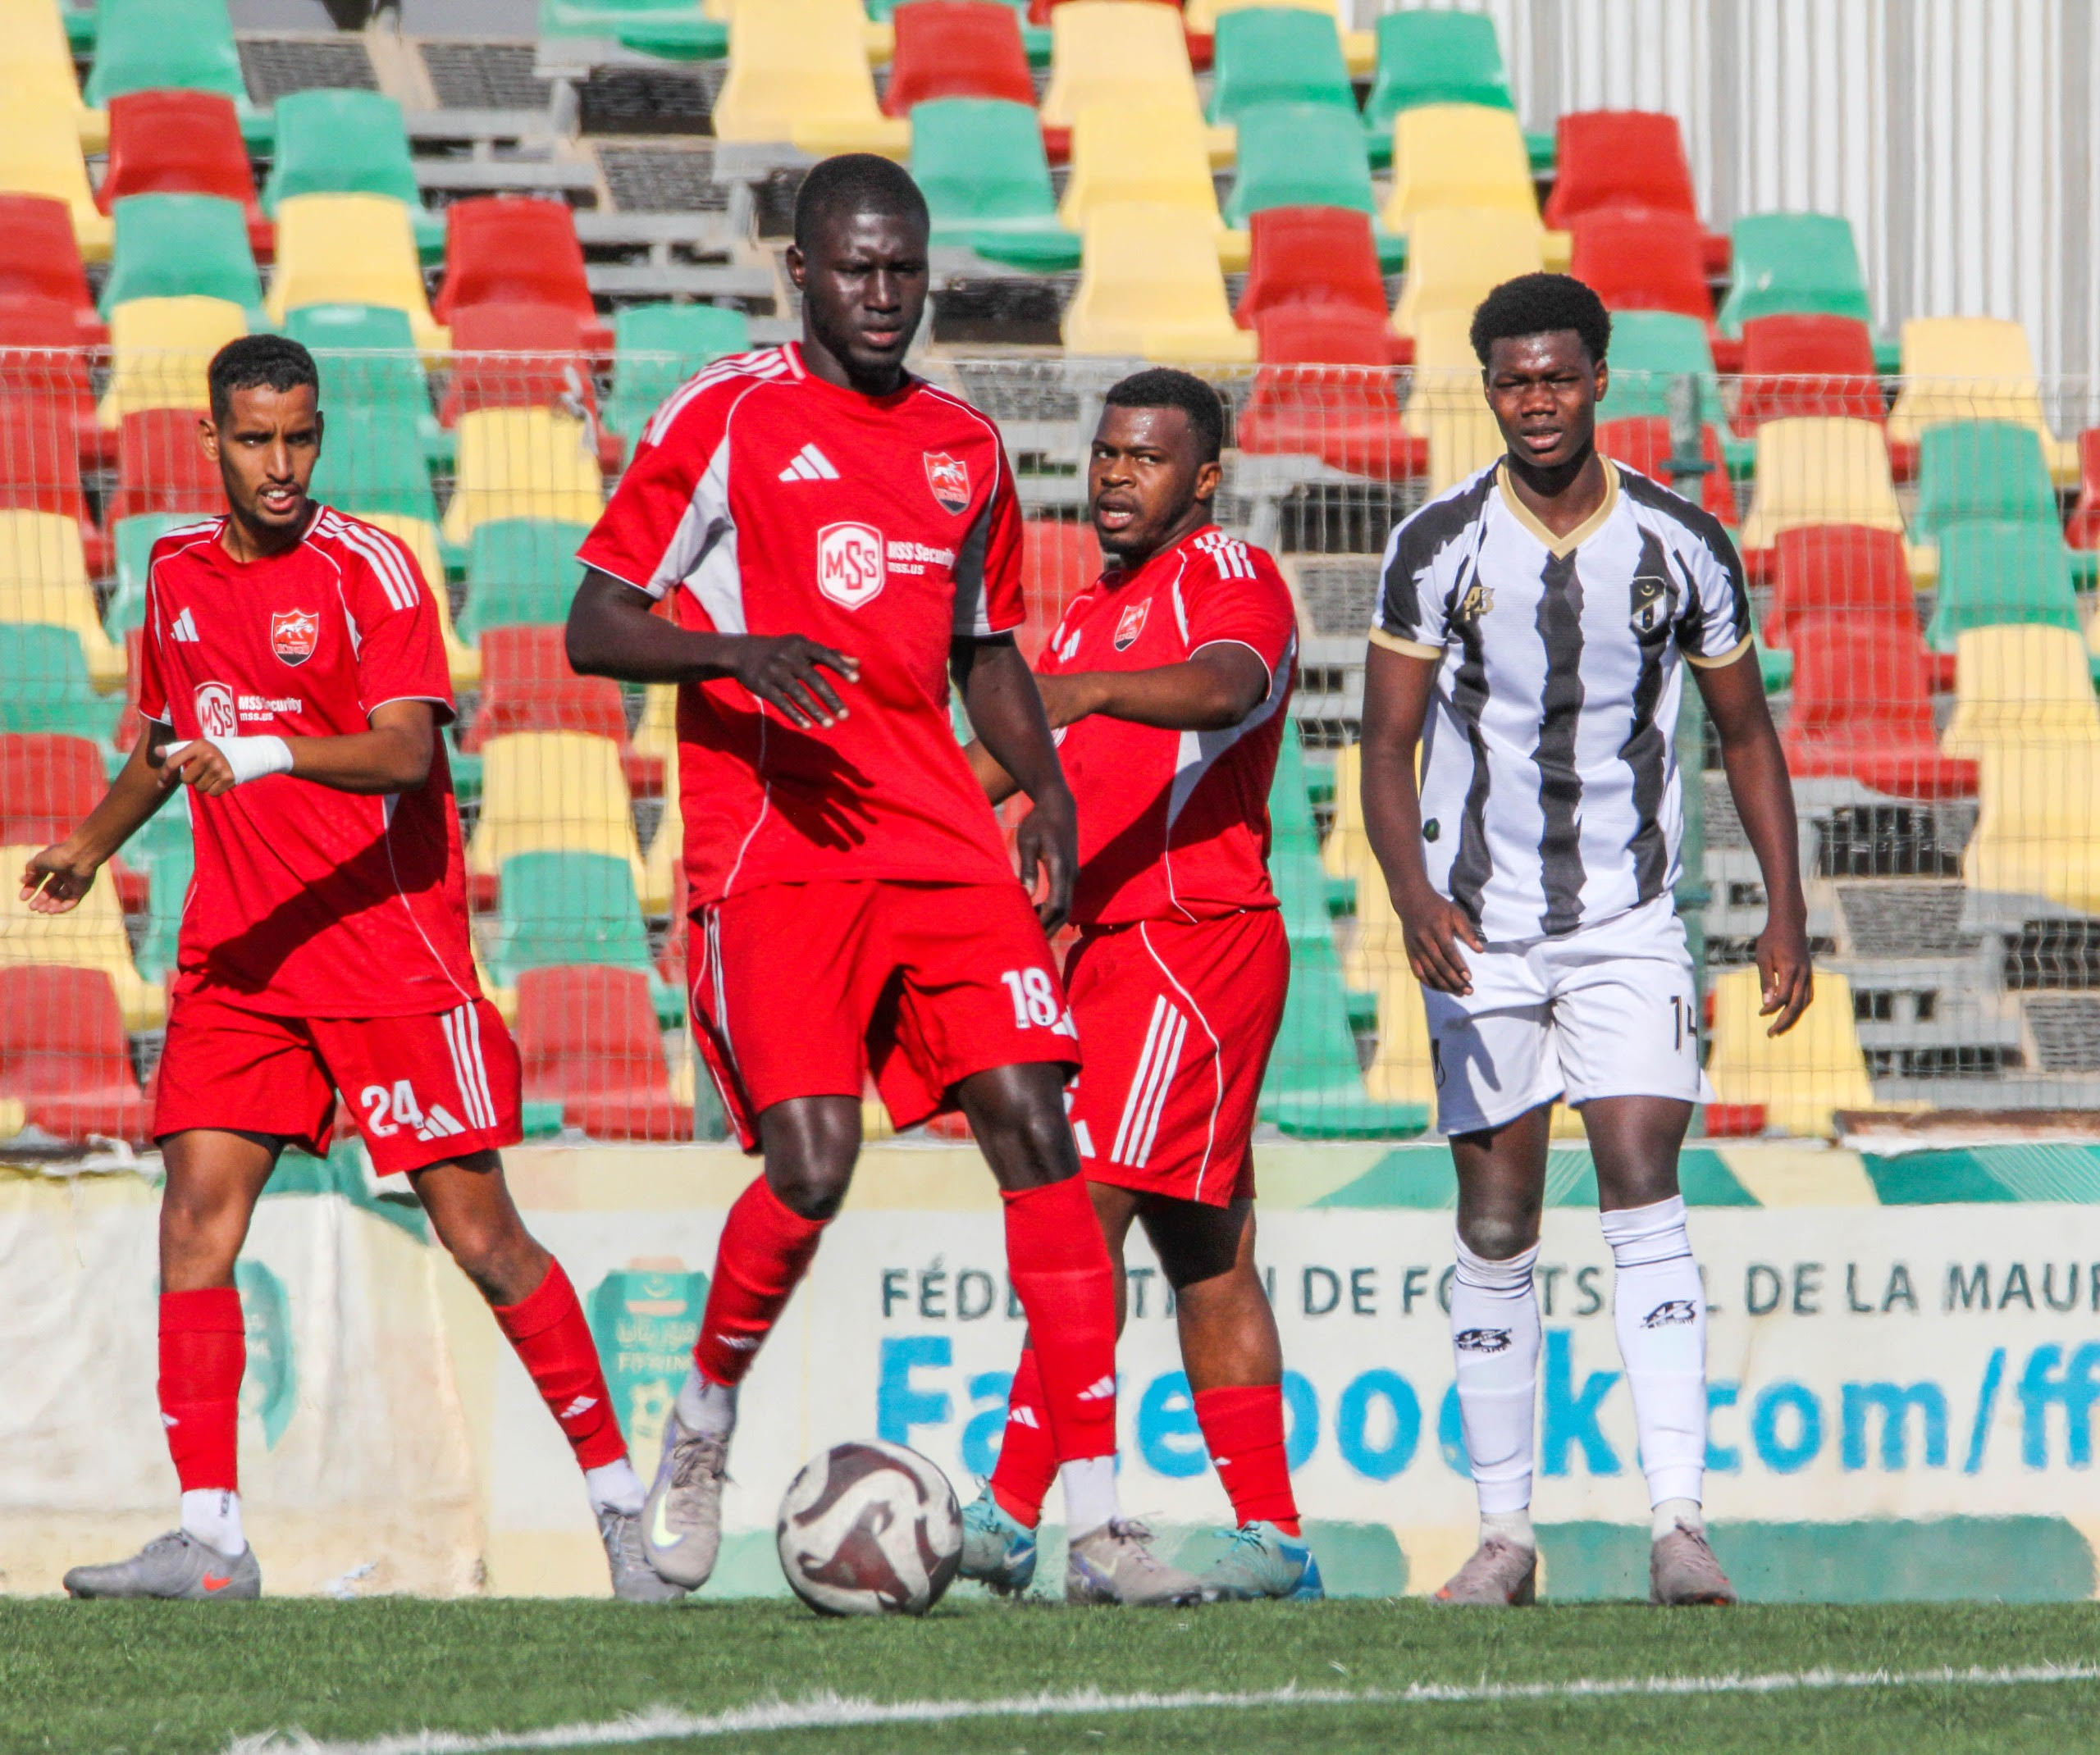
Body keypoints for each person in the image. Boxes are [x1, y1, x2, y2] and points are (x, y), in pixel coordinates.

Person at [564, 155, 1201, 1607]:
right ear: (800, 270)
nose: (883, 294)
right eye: (855, 268)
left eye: (905, 270)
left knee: (1041, 1132)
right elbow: (594, 624)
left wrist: (1046, 791)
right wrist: (734, 653)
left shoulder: (965, 446)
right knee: (812, 1166)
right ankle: (704, 1422)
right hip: (778, 846)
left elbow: (986, 648)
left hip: (938, 841)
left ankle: (1097, 1524)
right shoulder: (725, 414)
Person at [32, 335, 676, 1603]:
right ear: (210, 442)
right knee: (194, 1222)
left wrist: (264, 753)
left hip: (387, 954)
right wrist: (92, 848)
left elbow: (403, 754)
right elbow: (167, 739)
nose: (281, 465)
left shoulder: (370, 566)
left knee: (483, 1239)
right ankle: (212, 1540)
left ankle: (620, 1512)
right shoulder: (172, 570)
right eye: (255, 440)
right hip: (243, 957)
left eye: (301, 437)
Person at [1357, 274, 1812, 1608]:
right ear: (1488, 390)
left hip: (1628, 923)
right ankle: (1504, 1537)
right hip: (1480, 928)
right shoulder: (1437, 545)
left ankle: (1679, 1525)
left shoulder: (1684, 542)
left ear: (1600, 378)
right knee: (1498, 1218)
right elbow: (1383, 743)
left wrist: (1785, 906)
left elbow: (1746, 733)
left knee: (1640, 1177)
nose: (1537, 401)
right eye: (1513, 382)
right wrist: (1411, 893)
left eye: (1558, 377)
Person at [955, 370, 1320, 1604]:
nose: (1115, 475)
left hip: (1190, 945)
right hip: (1109, 952)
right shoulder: (1086, 609)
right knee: (1205, 1250)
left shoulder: (1231, 576)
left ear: (1205, 477)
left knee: (1079, 1215)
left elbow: (1231, 685)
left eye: (1147, 458)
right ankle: (1275, 1539)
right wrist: (913, 813)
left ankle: (1011, 1514)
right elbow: (1020, 756)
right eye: (1106, 453)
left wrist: (1089, 690)